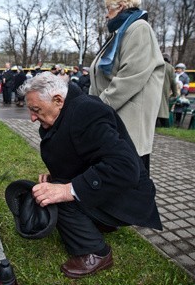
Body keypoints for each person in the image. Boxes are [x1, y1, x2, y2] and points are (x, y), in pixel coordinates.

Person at [16, 72, 162, 279]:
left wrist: (66, 189)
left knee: (56, 197)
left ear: (58, 100)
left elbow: (123, 167)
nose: (31, 118)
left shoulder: (86, 112)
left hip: (127, 194)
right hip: (113, 188)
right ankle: (100, 222)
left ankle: (95, 252)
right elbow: (85, 154)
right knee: (55, 187)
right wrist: (56, 176)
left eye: (35, 110)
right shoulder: (64, 112)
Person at [89, 0, 164, 173]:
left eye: (109, 9)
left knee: (132, 183)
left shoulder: (139, 28)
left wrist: (97, 107)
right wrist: (88, 103)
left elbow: (130, 76)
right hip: (114, 118)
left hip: (129, 121)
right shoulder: (121, 31)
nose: (106, 15)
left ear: (121, 6)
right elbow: (98, 74)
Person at [157, 54, 178, 127]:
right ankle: (165, 126)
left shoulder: (156, 64)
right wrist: (175, 94)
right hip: (164, 91)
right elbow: (173, 82)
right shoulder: (170, 68)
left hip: (154, 89)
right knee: (162, 110)